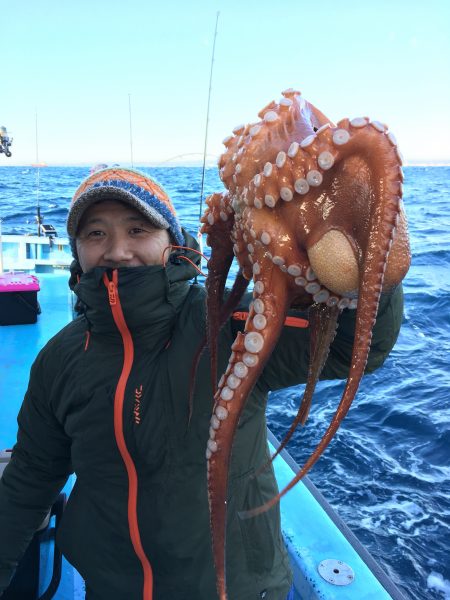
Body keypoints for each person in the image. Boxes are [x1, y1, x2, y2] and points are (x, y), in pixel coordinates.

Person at [0, 167, 404, 599]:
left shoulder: (230, 325)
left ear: (172, 241)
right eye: (96, 234)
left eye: (137, 229)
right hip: (112, 586)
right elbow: (32, 475)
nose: (117, 250)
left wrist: (363, 234)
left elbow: (353, 344)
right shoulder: (60, 359)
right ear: (77, 249)